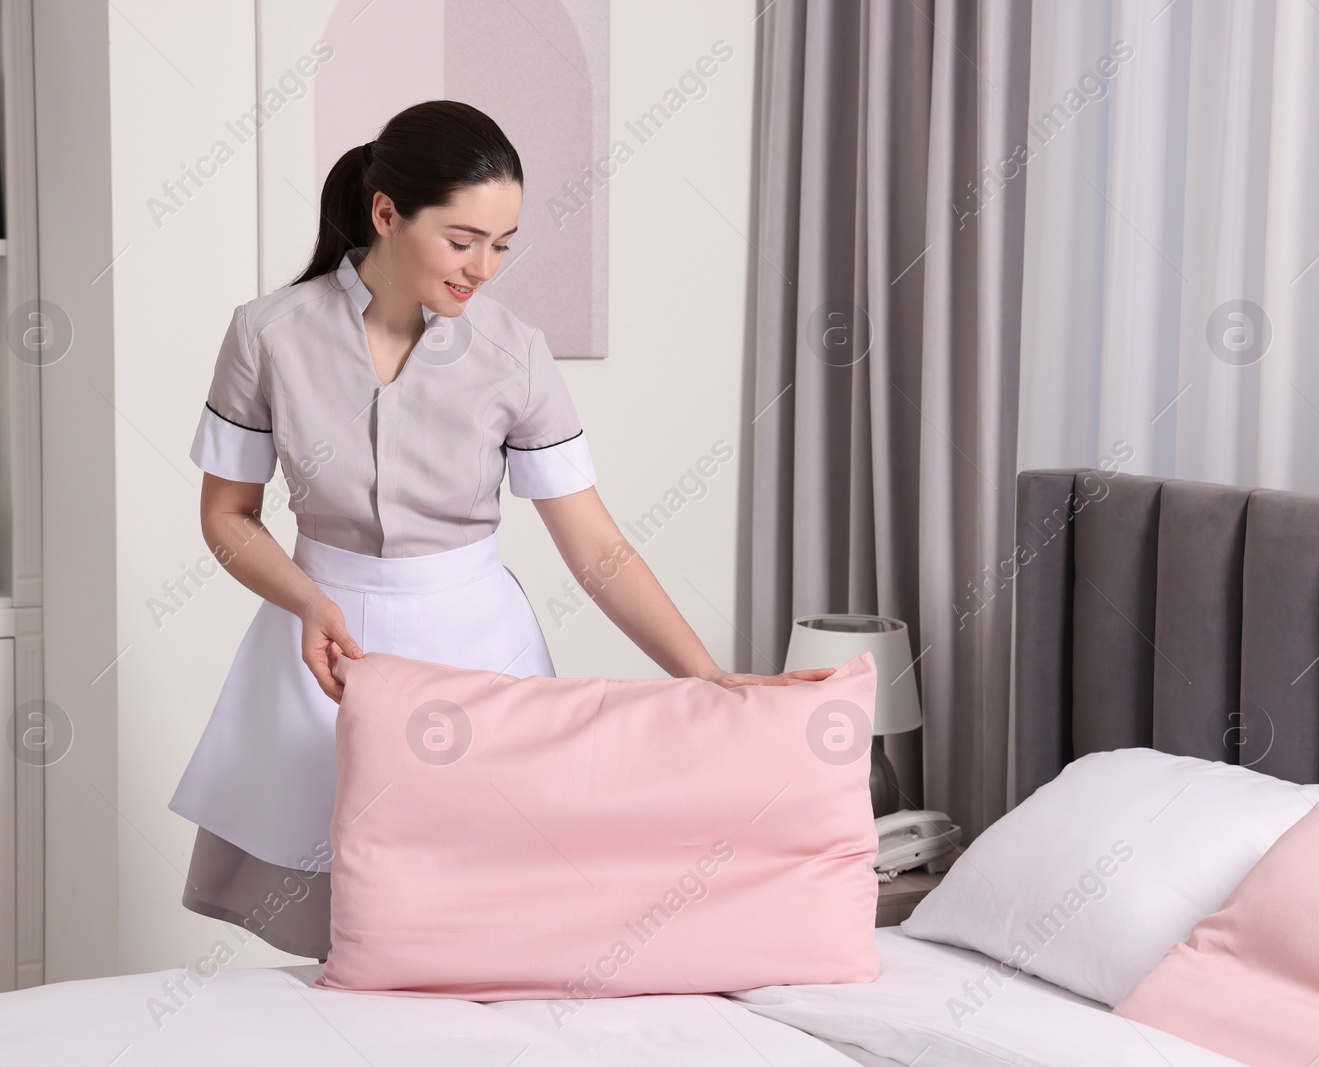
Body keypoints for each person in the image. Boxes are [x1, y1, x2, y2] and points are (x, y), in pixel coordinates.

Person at [167, 100, 835, 963]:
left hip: (478, 659)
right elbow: (228, 517)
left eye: (503, 243)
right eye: (462, 239)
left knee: (487, 926)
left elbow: (594, 545)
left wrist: (705, 675)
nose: (484, 266)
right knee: (348, 943)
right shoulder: (267, 335)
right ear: (385, 214)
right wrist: (308, 601)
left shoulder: (515, 352)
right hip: (319, 665)